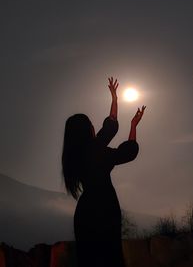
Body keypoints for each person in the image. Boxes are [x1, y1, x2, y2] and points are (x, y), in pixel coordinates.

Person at [61, 77, 146, 267]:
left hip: (85, 212)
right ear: (87, 130)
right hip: (104, 208)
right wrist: (133, 126)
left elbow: (109, 128)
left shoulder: (75, 155)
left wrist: (115, 100)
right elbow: (128, 152)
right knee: (110, 258)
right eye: (91, 124)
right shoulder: (95, 149)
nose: (94, 126)